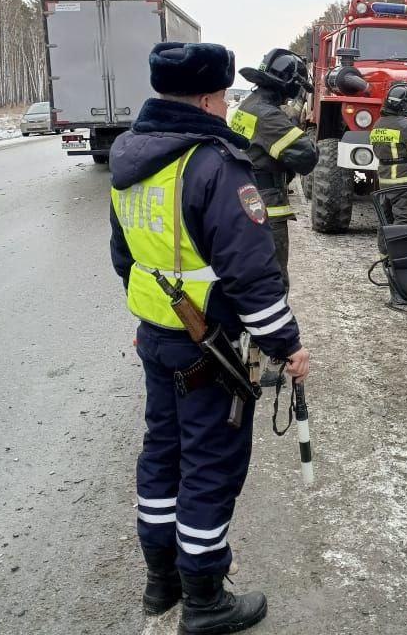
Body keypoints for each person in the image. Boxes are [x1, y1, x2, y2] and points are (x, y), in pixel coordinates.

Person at [108, 41, 310, 634]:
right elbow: (252, 274)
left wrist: (157, 317)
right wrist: (288, 346)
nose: (227, 106)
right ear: (204, 97)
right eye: (223, 96)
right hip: (210, 346)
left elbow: (124, 257)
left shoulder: (130, 159)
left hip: (158, 335)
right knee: (210, 466)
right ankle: (203, 601)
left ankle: (160, 580)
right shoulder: (212, 164)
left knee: (162, 453)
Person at [232, 48, 319, 285]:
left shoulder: (249, 105)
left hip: (248, 195)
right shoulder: (269, 116)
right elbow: (307, 157)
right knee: (273, 279)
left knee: (253, 275)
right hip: (266, 204)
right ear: (290, 84)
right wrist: (296, 128)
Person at [370, 84, 407, 225]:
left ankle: (385, 247)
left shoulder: (378, 124)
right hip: (405, 183)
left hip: (385, 182)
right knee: (405, 221)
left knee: (385, 221)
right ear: (402, 106)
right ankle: (403, 247)